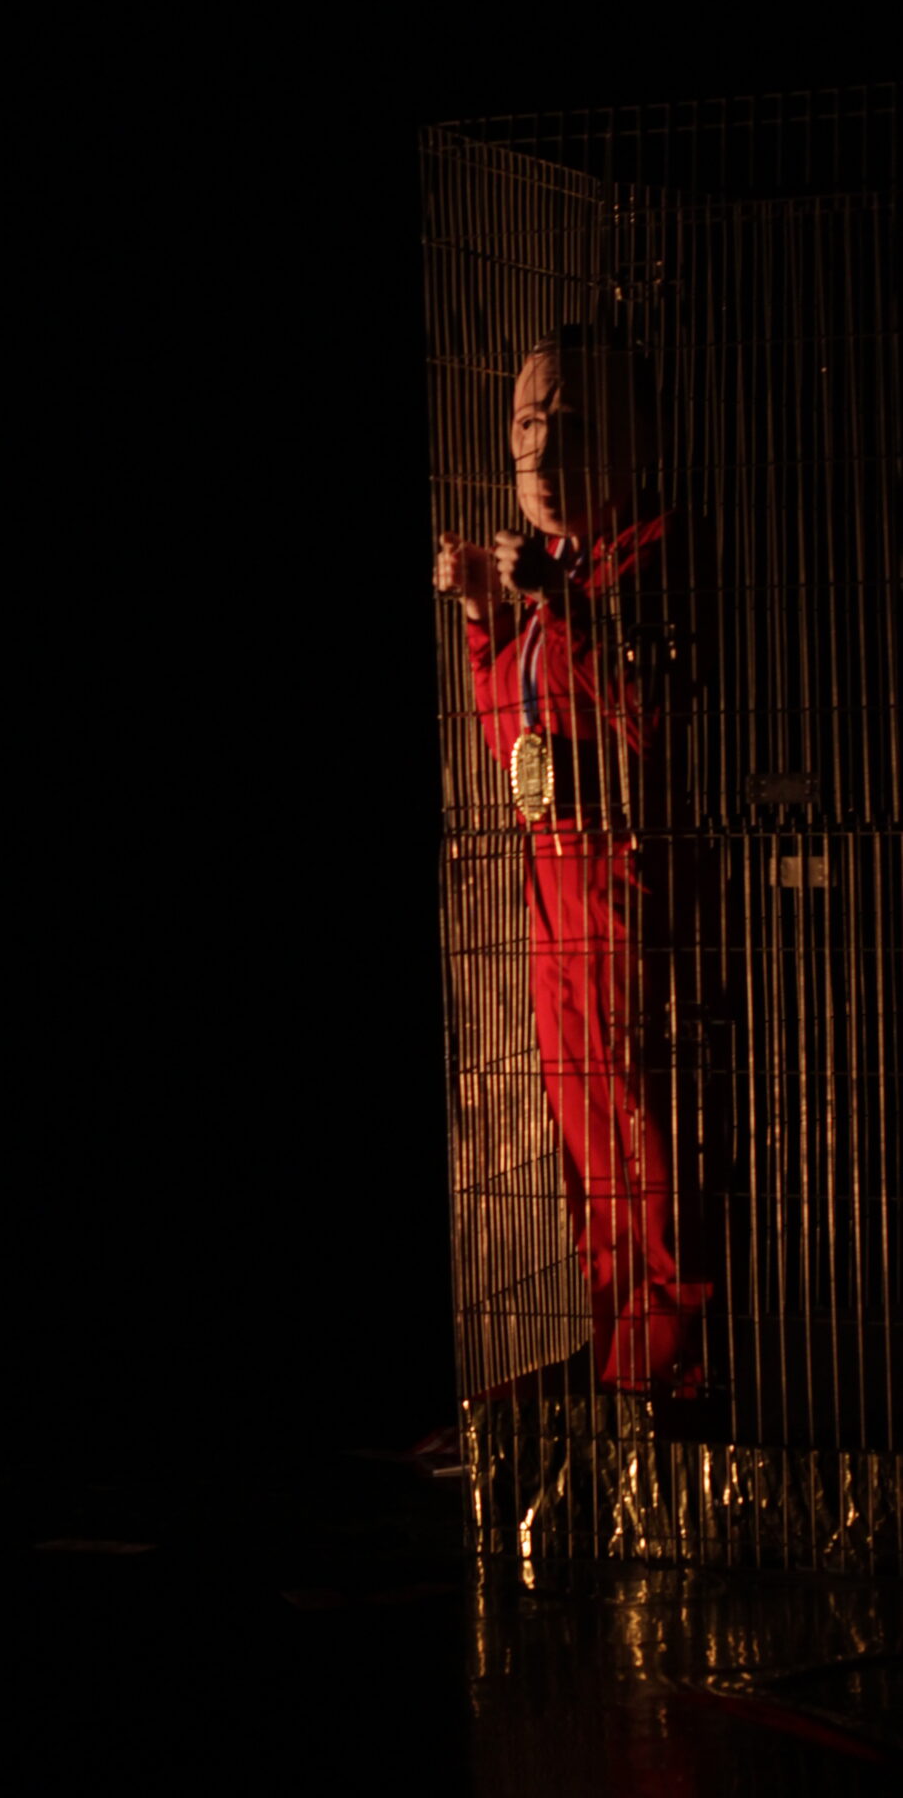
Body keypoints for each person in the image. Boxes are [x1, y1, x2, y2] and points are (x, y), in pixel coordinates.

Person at [433, 328, 714, 1396]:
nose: (542, 450)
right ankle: (616, 1354)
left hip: (622, 869)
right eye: (526, 423)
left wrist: (560, 598)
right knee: (580, 1126)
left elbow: (648, 721)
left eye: (572, 423)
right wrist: (485, 617)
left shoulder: (649, 553)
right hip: (550, 875)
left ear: (633, 438)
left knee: (640, 1118)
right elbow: (515, 736)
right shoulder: (575, 569)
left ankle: (672, 1356)